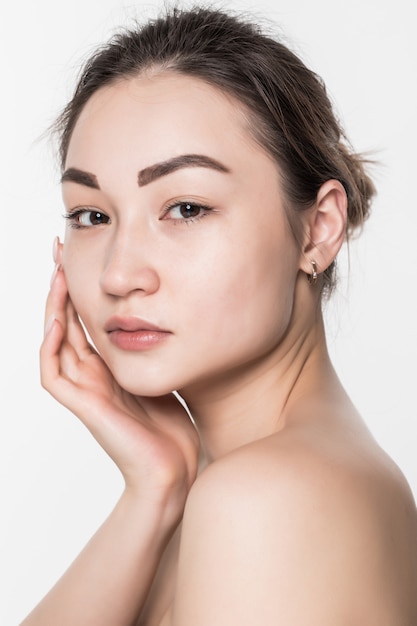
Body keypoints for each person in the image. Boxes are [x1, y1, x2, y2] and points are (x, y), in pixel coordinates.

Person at [22, 5, 417, 625]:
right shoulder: (237, 486)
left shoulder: (266, 500)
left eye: (185, 208)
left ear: (318, 228)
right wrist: (153, 493)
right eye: (92, 216)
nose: (119, 275)